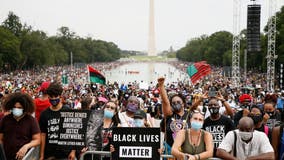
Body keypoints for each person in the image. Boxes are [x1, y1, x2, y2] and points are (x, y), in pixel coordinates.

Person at [39, 82, 76, 160]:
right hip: (50, 154)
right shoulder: (44, 114)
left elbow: (74, 133)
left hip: (65, 154)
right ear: (48, 97)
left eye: (55, 96)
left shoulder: (69, 111)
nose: (53, 98)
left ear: (60, 96)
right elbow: (43, 135)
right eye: (51, 97)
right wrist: (41, 155)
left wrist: (73, 151)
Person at [0, 92, 40, 160]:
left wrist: (26, 146)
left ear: (25, 108)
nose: (16, 109)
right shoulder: (5, 119)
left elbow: (37, 140)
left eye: (19, 108)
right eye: (14, 107)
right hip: (7, 157)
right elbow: (1, 139)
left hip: (25, 157)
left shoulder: (31, 120)